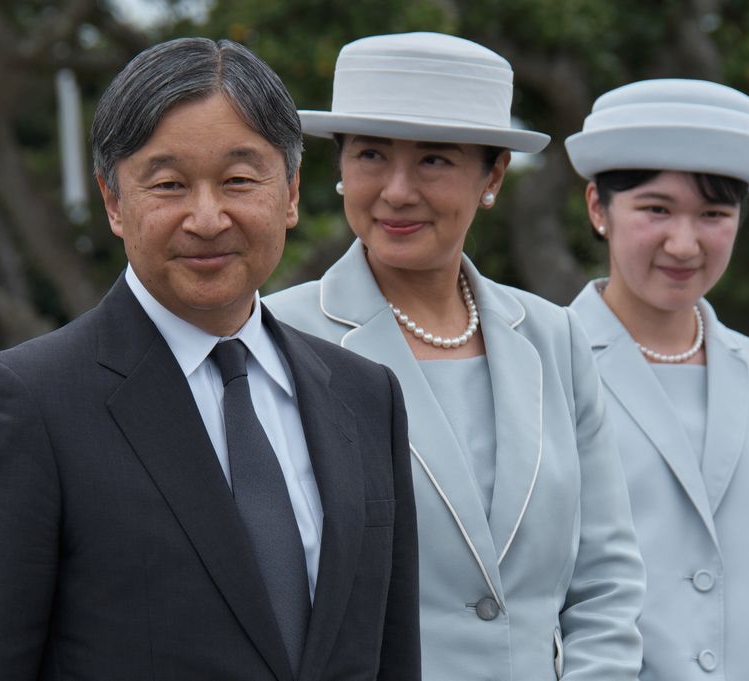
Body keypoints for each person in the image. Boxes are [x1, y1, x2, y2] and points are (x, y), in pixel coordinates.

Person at [0, 37, 420, 681]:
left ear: (290, 193)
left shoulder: (366, 396)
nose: (207, 218)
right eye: (169, 184)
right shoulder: (24, 406)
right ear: (114, 201)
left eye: (239, 180)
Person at [266, 32, 645, 681]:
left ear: (492, 175)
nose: (396, 190)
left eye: (435, 160)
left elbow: (606, 582)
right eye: (372, 155)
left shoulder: (555, 339)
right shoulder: (278, 337)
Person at [565, 78, 749, 680]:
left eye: (714, 214)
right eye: (656, 209)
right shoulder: (539, 364)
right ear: (598, 208)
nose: (685, 243)